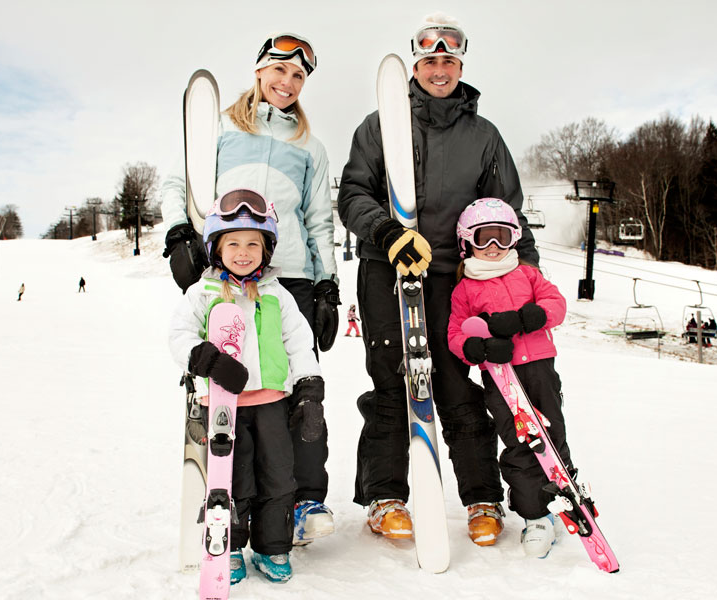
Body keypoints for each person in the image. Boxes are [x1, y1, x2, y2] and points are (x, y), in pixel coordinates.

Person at [337, 13, 540, 547]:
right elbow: (353, 194)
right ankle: (385, 496)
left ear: (460, 65)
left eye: (449, 60)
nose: (439, 69)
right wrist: (387, 232)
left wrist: (528, 280)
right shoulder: (381, 123)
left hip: (456, 276)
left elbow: (507, 212)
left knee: (453, 380)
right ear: (416, 65)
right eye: (430, 60)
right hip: (389, 268)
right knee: (393, 379)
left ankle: (482, 498)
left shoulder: (484, 136)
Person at [159, 33, 339, 545]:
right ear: (260, 71)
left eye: (298, 76)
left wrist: (326, 285)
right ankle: (228, 499)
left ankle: (302, 500)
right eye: (280, 70)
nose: (287, 83)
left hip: (290, 278)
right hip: (224, 275)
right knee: (230, 386)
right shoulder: (220, 129)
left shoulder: (310, 147)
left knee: (297, 394)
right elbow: (179, 186)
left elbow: (319, 220)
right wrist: (179, 235)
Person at [169, 190, 324, 584]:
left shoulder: (277, 294)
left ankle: (273, 547)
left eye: (253, 243)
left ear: (267, 249)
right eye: (232, 243)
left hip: (272, 401)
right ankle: (231, 546)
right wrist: (209, 361)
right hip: (223, 405)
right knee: (232, 477)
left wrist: (308, 390)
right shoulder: (201, 293)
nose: (243, 252)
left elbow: (299, 342)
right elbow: (179, 336)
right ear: (215, 248)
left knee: (277, 476)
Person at [445, 198, 579, 558]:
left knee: (552, 436)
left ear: (514, 239)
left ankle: (563, 498)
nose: (492, 248)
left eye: (501, 238)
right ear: (466, 242)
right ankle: (535, 517)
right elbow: (456, 334)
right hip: (501, 378)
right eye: (483, 239)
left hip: (539, 367)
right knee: (519, 443)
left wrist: (530, 317)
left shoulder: (527, 274)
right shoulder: (465, 289)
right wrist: (477, 349)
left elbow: (557, 304)